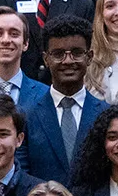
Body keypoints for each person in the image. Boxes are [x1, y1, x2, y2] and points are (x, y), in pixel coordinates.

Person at [20, 17, 106, 186]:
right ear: (46, 59)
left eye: (77, 53)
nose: (68, 61)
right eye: (58, 54)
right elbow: (23, 176)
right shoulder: (26, 116)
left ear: (89, 57)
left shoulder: (106, 115)